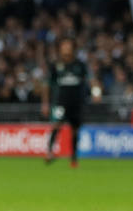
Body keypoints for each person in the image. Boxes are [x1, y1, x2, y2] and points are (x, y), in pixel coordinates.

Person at [41, 37, 96, 168]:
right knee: (56, 124)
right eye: (63, 46)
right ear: (60, 49)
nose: (66, 48)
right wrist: (45, 103)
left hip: (77, 102)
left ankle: (74, 158)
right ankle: (49, 152)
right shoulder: (55, 65)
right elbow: (46, 85)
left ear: (73, 48)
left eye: (68, 46)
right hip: (60, 101)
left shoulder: (80, 65)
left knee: (75, 130)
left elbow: (91, 79)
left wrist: (96, 92)